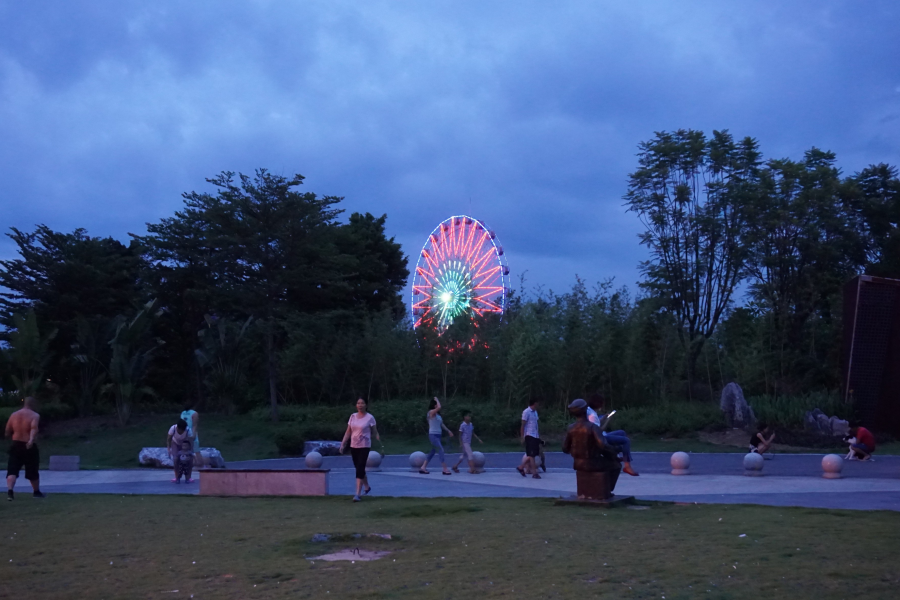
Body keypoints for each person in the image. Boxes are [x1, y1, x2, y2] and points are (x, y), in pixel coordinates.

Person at [587, 393, 638, 476]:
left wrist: (602, 418)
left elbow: (594, 424)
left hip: (601, 435)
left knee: (622, 432)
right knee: (626, 441)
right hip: (601, 438)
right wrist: (608, 420)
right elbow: (599, 430)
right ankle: (627, 466)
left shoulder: (589, 410)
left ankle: (615, 456)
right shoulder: (592, 415)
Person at [340, 398, 381, 502]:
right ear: (356, 405)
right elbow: (348, 431)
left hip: (364, 446)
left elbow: (374, 431)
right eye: (358, 403)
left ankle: (357, 494)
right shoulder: (352, 416)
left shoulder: (370, 418)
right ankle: (367, 487)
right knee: (359, 469)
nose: (360, 405)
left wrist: (375, 437)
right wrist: (343, 443)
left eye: (362, 403)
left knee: (360, 467)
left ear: (366, 405)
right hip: (354, 446)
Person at [5, 396, 45, 500]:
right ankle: (36, 492)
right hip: (28, 446)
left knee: (12, 469)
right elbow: (33, 428)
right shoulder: (35, 415)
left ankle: (10, 492)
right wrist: (31, 440)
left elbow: (7, 431)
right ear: (33, 404)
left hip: (16, 444)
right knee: (32, 469)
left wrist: (13, 437)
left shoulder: (14, 415)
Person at [420, 397, 454, 475]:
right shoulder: (431, 412)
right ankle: (445, 469)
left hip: (438, 435)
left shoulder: (438, 415)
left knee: (432, 452)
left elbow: (441, 424)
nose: (437, 405)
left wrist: (448, 430)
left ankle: (423, 467)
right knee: (440, 449)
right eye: (436, 404)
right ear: (434, 405)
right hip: (433, 435)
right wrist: (437, 399)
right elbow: (439, 407)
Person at [517, 398, 541, 479]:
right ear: (534, 403)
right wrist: (522, 437)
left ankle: (521, 467)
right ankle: (534, 473)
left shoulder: (535, 412)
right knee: (532, 455)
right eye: (537, 403)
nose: (538, 405)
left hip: (535, 435)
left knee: (535, 454)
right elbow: (523, 425)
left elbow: (536, 424)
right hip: (529, 435)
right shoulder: (526, 412)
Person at [167, 419, 196, 483]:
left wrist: (191, 451)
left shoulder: (188, 430)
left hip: (184, 444)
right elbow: (169, 439)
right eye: (180, 430)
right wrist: (169, 448)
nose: (182, 432)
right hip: (175, 443)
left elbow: (191, 441)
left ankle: (189, 477)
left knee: (189, 459)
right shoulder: (173, 428)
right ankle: (177, 477)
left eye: (183, 430)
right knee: (175, 459)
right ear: (178, 428)